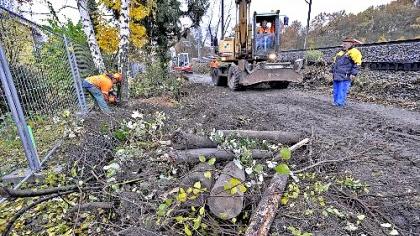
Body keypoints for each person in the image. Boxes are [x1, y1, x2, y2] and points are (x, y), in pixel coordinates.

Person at [331, 37, 362, 107]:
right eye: (343, 44)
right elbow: (334, 63)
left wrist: (353, 73)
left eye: (346, 44)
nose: (344, 45)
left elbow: (357, 63)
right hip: (337, 75)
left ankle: (340, 103)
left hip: (345, 75)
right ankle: (336, 102)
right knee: (336, 90)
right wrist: (332, 71)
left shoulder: (355, 52)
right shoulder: (340, 52)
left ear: (351, 44)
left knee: (342, 90)